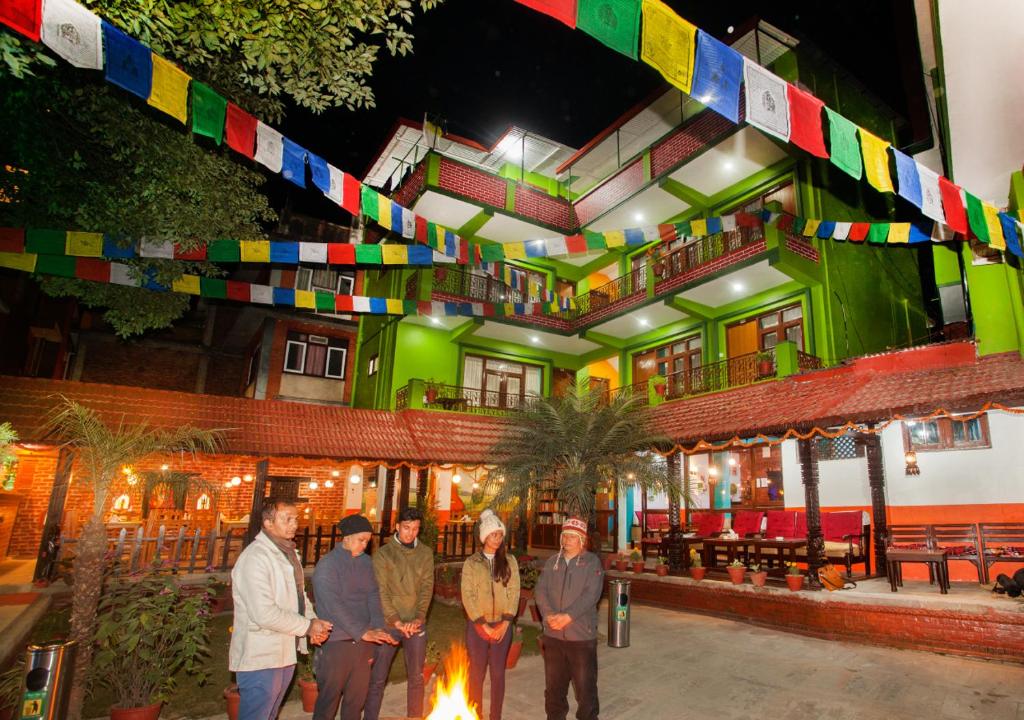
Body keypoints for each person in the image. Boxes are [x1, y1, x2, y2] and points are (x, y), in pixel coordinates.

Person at [229, 498, 332, 720]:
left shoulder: (288, 554)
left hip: (283, 652)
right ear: (268, 523)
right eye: (287, 519)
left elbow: (299, 596)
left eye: (296, 519)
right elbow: (263, 613)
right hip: (260, 656)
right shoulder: (255, 558)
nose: (294, 524)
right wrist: (307, 626)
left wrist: (314, 624)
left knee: (270, 714)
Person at [312, 514, 397, 720]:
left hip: (363, 644)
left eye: (368, 541)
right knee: (328, 702)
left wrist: (377, 628)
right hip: (336, 642)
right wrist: (362, 631)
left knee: (356, 701)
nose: (365, 545)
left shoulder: (366, 563)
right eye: (361, 540)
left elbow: (373, 595)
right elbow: (333, 606)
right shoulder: (327, 565)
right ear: (347, 538)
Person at [364, 507, 435, 720]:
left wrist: (419, 617)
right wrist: (395, 621)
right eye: (406, 528)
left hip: (415, 623)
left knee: (416, 676)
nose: (410, 533)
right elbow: (381, 592)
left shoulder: (425, 553)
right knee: (378, 677)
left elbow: (427, 587)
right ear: (397, 527)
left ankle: (414, 716)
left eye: (415, 529)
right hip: (388, 625)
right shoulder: (383, 554)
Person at [535, 516, 604, 720]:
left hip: (580, 637)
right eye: (565, 535)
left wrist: (568, 616)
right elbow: (540, 590)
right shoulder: (551, 562)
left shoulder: (592, 563)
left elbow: (591, 595)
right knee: (554, 688)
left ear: (582, 539)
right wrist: (548, 615)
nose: (567, 540)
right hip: (553, 636)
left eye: (572, 536)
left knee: (585, 689)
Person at [461, 509, 520, 720]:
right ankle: (474, 713)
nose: (497, 539)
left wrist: (506, 623)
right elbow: (467, 595)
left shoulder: (510, 561)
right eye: (493, 534)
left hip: (502, 627)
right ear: (484, 536)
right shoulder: (472, 563)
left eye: (500, 535)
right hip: (478, 627)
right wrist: (481, 624)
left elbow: (514, 593)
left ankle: (496, 715)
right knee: (476, 674)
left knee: (497, 674)